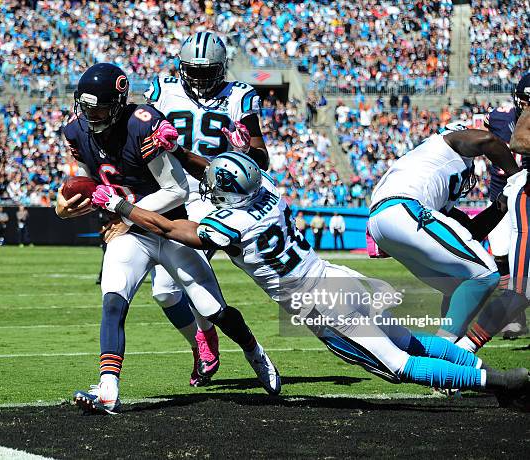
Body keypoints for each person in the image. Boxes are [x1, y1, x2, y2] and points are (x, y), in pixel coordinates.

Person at [92, 151, 530, 406]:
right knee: (408, 341)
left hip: (318, 305)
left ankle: (496, 382)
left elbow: (169, 229)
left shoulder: (230, 223)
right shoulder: (269, 193)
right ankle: (483, 367)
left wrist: (119, 206)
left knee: (397, 366)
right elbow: (230, 174)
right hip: (339, 277)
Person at [58, 63, 279, 415]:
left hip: (171, 227)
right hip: (131, 233)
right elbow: (86, 183)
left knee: (213, 310)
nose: (92, 115)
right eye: (86, 107)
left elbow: (176, 190)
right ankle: (108, 388)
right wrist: (65, 205)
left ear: (117, 103)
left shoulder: (142, 123)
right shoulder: (76, 131)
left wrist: (125, 215)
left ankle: (255, 352)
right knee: (113, 301)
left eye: (99, 107)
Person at [144, 31, 270, 386]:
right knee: (164, 292)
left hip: (213, 197)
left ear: (222, 68)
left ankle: (209, 337)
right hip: (169, 191)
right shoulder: (161, 90)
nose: (199, 78)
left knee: (186, 275)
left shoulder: (240, 96)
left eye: (207, 70)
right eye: (193, 70)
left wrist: (246, 150)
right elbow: (139, 133)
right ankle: (204, 336)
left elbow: (262, 159)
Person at [368, 124, 520, 345]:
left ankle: (446, 345)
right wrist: (517, 176)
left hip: (385, 220)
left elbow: (471, 232)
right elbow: (488, 140)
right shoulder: (447, 143)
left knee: (459, 283)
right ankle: (444, 351)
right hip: (404, 208)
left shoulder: (428, 169)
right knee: (486, 274)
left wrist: (503, 204)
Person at [480, 73, 530, 340]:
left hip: (526, 196)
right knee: (500, 256)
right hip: (502, 198)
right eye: (524, 99)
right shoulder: (498, 118)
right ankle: (515, 317)